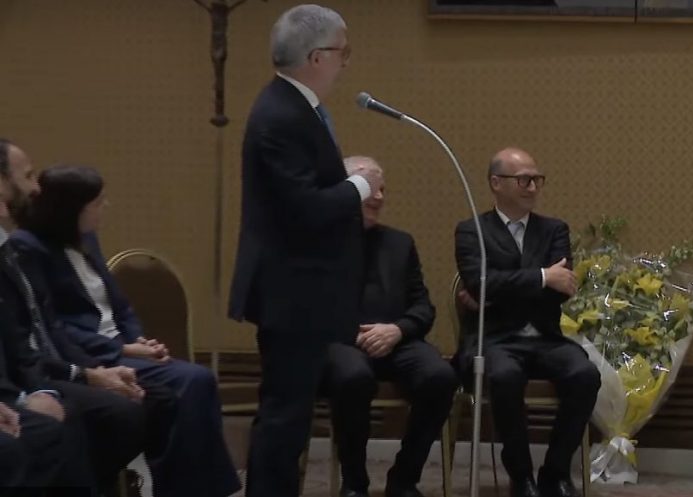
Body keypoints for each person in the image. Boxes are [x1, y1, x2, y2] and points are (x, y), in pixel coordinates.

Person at [227, 5, 383, 497]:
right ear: (318, 57)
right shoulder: (280, 115)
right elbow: (304, 209)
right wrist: (359, 185)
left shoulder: (297, 108)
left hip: (304, 293)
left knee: (290, 418)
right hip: (291, 292)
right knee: (283, 417)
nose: (346, 63)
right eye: (343, 52)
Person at [11, 164, 240, 497]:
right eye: (97, 203)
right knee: (191, 381)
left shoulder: (86, 238)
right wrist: (121, 350)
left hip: (120, 345)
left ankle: (190, 486)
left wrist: (134, 338)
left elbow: (119, 303)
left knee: (192, 384)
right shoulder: (29, 247)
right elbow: (54, 325)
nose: (105, 208)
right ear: (72, 208)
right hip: (90, 354)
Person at [0, 139, 153, 494]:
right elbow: (20, 342)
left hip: (35, 372)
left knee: (134, 404)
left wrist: (93, 371)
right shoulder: (23, 247)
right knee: (64, 421)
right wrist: (30, 394)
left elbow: (38, 329)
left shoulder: (9, 248)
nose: (37, 187)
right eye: (28, 176)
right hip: (20, 381)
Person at [454, 147, 599, 497]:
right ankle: (521, 476)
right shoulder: (472, 230)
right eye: (523, 180)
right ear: (496, 183)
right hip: (496, 338)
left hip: (546, 337)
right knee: (505, 376)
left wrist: (503, 288)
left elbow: (562, 289)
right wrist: (540, 277)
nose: (532, 187)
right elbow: (478, 282)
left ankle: (555, 472)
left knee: (585, 375)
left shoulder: (553, 230)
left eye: (537, 179)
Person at [324, 156, 457, 497]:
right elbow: (305, 307)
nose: (380, 197)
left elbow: (422, 307)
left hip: (397, 339)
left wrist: (397, 330)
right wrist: (351, 333)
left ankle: (404, 478)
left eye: (383, 189)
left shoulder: (400, 243)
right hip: (340, 341)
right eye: (371, 188)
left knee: (441, 377)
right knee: (354, 377)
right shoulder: (318, 243)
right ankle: (354, 483)